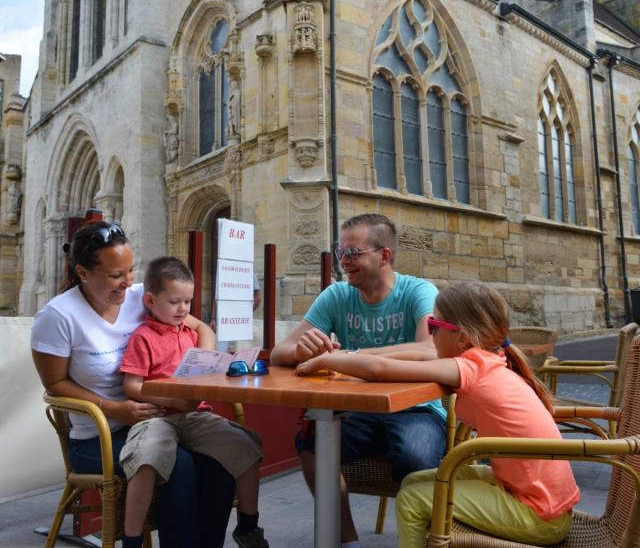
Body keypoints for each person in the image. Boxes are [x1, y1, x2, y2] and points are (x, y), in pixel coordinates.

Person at [296, 280, 580, 547]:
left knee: (410, 499)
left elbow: (378, 370)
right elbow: (416, 356)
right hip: (541, 498)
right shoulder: (490, 361)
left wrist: (326, 359)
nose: (429, 334)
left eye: (433, 325)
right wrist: (348, 357)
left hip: (538, 514)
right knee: (413, 481)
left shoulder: (470, 367)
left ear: (463, 337)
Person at [30, 221, 236, 548]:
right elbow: (55, 384)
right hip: (100, 436)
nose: (127, 281)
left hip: (164, 422)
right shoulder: (57, 316)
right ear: (83, 272)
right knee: (178, 466)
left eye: (130, 270)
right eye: (115, 275)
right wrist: (115, 409)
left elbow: (203, 330)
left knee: (219, 461)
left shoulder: (141, 296)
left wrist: (202, 365)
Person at [270, 213, 446, 548]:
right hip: (356, 409)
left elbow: (431, 349)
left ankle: (428, 540)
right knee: (311, 446)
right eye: (341, 253)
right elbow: (280, 352)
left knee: (415, 457)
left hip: (416, 408)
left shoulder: (418, 292)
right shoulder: (336, 295)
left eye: (353, 254)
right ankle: (347, 541)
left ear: (384, 256)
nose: (344, 262)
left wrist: (352, 358)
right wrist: (302, 350)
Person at [119, 256, 268, 548]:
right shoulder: (143, 337)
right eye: (175, 301)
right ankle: (132, 540)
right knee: (146, 459)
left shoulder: (190, 334)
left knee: (247, 447)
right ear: (150, 299)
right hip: (158, 417)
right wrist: (170, 397)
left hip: (195, 416)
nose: (183, 309)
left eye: (188, 302)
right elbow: (131, 385)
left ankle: (249, 527)